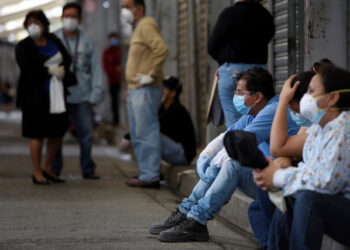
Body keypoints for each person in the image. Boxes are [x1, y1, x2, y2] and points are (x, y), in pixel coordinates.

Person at [149, 68, 299, 242]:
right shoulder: (253, 113)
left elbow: (238, 145)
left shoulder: (272, 110)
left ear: (257, 97)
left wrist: (213, 164)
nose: (235, 96)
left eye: (240, 92)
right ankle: (186, 213)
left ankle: (197, 220)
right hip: (267, 180)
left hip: (283, 183)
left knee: (232, 164)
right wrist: (206, 155)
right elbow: (227, 137)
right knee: (223, 160)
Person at [253, 64, 350, 249]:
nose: (306, 97)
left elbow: (325, 183)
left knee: (309, 200)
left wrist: (279, 176)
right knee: (288, 197)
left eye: (311, 91)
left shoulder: (344, 129)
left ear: (332, 98)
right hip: (336, 205)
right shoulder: (318, 129)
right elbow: (309, 170)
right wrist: (276, 170)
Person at [247, 71, 315, 248]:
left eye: (292, 109)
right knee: (256, 209)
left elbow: (277, 147)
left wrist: (283, 101)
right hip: (303, 183)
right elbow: (284, 150)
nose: (293, 114)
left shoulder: (322, 124)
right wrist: (285, 159)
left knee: (282, 209)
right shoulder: (310, 124)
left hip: (315, 194)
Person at [15, 10, 72, 185]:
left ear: (45, 25)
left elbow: (67, 59)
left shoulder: (54, 40)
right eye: (30, 23)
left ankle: (48, 168)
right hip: (34, 97)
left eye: (37, 22)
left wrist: (61, 70)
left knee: (56, 133)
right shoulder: (24, 46)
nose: (33, 26)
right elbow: (26, 67)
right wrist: (48, 69)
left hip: (56, 94)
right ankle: (37, 171)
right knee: (37, 134)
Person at [121, 0, 168, 188]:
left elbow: (161, 49)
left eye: (127, 7)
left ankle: (150, 176)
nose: (124, 11)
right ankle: (146, 172)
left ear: (139, 9)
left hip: (146, 88)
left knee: (146, 132)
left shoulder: (146, 24)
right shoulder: (138, 26)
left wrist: (152, 75)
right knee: (138, 133)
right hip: (136, 89)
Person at [53, 2, 102, 179]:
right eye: (67, 16)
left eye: (73, 16)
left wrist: (95, 93)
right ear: (61, 18)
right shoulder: (54, 39)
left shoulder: (87, 41)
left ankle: (88, 169)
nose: (70, 20)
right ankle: (54, 169)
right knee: (57, 134)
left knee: (86, 134)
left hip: (83, 96)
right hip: (60, 95)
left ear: (80, 19)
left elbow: (96, 68)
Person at [208, 0, 275, 128]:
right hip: (258, 74)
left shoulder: (229, 14)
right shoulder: (265, 15)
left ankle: (236, 146)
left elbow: (212, 46)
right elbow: (268, 37)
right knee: (260, 121)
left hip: (231, 71)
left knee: (234, 123)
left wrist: (223, 62)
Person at [102, 32, 122, 125]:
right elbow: (106, 67)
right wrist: (115, 70)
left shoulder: (120, 50)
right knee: (114, 100)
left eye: (115, 38)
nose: (114, 41)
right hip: (112, 80)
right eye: (112, 39)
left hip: (122, 80)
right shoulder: (107, 52)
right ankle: (115, 119)